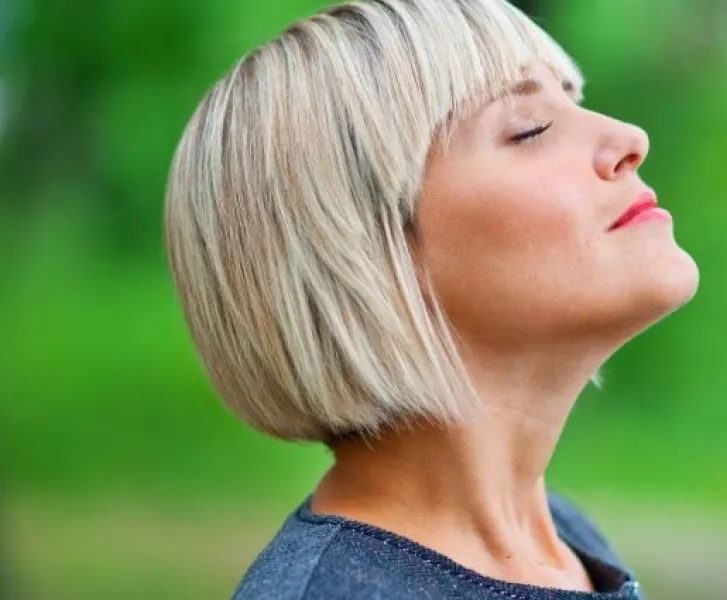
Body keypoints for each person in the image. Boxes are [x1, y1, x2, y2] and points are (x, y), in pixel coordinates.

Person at [163, 0, 698, 598]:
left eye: (571, 101)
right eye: (529, 129)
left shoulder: (565, 539)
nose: (629, 137)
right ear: (364, 255)